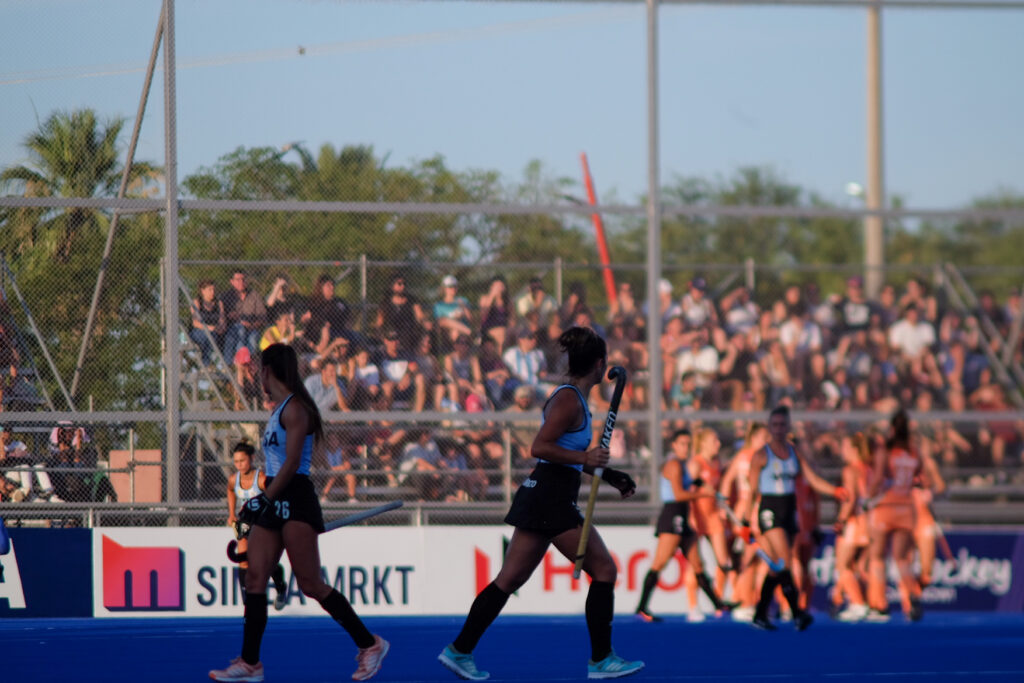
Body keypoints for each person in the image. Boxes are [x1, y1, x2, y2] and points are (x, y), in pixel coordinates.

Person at [438, 327, 644, 681]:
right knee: (605, 570)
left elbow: (573, 457)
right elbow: (540, 448)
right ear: (598, 364)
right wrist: (586, 457)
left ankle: (459, 650)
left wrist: (609, 475)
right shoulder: (567, 400)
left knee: (509, 578)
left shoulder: (575, 398)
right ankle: (601, 659)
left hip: (546, 493)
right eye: (604, 360)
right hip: (550, 496)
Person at [209, 344, 389, 682]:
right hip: (275, 494)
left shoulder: (297, 410)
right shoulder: (277, 410)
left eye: (260, 370)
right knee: (255, 577)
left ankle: (370, 644)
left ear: (268, 371)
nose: (257, 376)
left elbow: (292, 463)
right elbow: (277, 464)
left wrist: (264, 498)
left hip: (295, 495)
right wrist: (259, 501)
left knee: (309, 583)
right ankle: (250, 663)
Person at [746, 405, 846, 631]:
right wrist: (745, 521)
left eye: (783, 425)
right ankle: (797, 613)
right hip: (770, 510)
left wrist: (834, 491)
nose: (779, 429)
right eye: (775, 425)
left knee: (776, 568)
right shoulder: (761, 455)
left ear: (788, 427)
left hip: (789, 509)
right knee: (785, 561)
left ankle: (760, 614)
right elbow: (752, 492)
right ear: (769, 428)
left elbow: (811, 479)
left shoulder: (793, 452)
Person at [634, 428, 721, 623]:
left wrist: (700, 482)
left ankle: (718, 604)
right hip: (673, 514)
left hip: (682, 514)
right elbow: (679, 494)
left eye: (688, 445)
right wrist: (703, 494)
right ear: (674, 445)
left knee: (697, 563)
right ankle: (641, 606)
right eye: (682, 444)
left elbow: (691, 481)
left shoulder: (682, 465)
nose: (686, 448)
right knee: (660, 562)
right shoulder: (674, 464)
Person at [865, 409, 923, 623]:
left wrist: (867, 499)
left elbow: (879, 478)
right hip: (906, 507)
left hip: (885, 506)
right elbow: (919, 475)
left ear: (891, 429)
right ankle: (913, 595)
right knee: (901, 559)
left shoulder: (886, 451)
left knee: (877, 557)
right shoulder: (914, 452)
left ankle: (879, 605)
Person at [224, 442, 288, 610]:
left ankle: (281, 588)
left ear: (251, 459)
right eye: (236, 461)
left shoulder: (260, 479)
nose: (239, 465)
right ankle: (248, 600)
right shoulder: (233, 479)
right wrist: (231, 513)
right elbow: (231, 490)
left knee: (267, 563)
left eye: (242, 461)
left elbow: (275, 495)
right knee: (243, 559)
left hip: (262, 523)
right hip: (244, 522)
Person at [830, 432, 874, 622]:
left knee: (842, 565)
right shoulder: (869, 469)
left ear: (855, 450)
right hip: (870, 522)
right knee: (861, 568)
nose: (843, 451)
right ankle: (873, 604)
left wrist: (841, 519)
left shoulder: (850, 470)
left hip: (854, 523)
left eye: (846, 447)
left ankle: (857, 603)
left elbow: (851, 498)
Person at [189, 279, 226, 365]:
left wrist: (221, 328)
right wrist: (210, 328)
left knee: (213, 336)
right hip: (198, 331)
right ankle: (206, 364)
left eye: (214, 289)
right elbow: (195, 323)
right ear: (203, 291)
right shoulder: (197, 302)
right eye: (210, 289)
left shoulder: (219, 303)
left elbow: (222, 321)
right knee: (209, 336)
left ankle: (213, 364)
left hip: (214, 332)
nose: (212, 292)